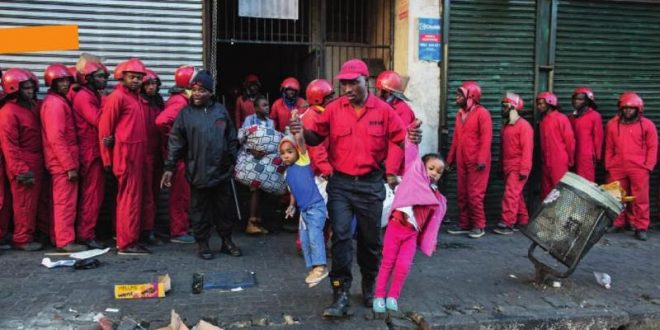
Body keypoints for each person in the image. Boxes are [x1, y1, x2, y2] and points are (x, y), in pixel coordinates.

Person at [289, 58, 423, 318]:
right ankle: (340, 293)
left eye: (354, 83)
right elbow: (317, 136)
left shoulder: (384, 111)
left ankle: (370, 286)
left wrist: (410, 141)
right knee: (340, 238)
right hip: (340, 185)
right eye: (344, 84)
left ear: (367, 82)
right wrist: (302, 131)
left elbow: (401, 138)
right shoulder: (334, 109)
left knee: (370, 241)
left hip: (372, 185)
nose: (348, 89)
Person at [160, 70, 242, 260]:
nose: (196, 93)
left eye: (202, 90)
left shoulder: (220, 111)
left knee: (224, 210)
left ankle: (227, 241)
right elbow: (175, 142)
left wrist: (232, 160)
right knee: (199, 212)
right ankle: (203, 244)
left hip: (222, 172)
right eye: (194, 89)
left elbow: (231, 137)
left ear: (211, 92)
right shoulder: (185, 114)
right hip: (198, 173)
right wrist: (169, 168)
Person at [373, 146, 446, 314]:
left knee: (404, 266)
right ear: (422, 168)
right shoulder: (410, 181)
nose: (434, 173)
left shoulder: (436, 196)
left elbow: (433, 221)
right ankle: (378, 296)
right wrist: (412, 139)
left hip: (412, 234)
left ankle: (393, 296)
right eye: (431, 168)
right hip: (395, 228)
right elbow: (412, 156)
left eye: (439, 172)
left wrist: (430, 240)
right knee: (387, 263)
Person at [98, 58, 152, 255]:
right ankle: (127, 243)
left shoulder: (134, 97)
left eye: (139, 77)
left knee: (132, 198)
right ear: (123, 77)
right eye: (132, 77)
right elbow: (105, 131)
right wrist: (106, 159)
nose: (137, 81)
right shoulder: (117, 97)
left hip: (135, 154)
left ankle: (129, 239)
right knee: (129, 199)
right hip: (126, 155)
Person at [40, 64, 87, 252]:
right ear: (51, 83)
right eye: (61, 81)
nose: (65, 84)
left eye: (67, 80)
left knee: (60, 202)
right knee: (65, 203)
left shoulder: (57, 102)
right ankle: (65, 242)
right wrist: (69, 166)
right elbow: (56, 137)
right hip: (61, 163)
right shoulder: (55, 105)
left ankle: (58, 237)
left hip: (60, 161)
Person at [279, 111, 329, 287]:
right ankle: (314, 268)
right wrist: (291, 206)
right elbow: (293, 191)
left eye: (289, 151)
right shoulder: (287, 173)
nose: (286, 155)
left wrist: (296, 125)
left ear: (297, 153)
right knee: (305, 239)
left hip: (315, 207)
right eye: (283, 153)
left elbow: (300, 142)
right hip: (304, 210)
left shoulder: (302, 161)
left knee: (315, 235)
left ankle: (320, 267)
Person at [0, 68, 44, 251]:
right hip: (23, 163)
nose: (30, 91)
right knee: (24, 204)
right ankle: (22, 239)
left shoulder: (30, 107)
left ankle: (27, 234)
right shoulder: (9, 112)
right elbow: (9, 145)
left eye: (31, 88)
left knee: (31, 203)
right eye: (25, 88)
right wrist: (20, 169)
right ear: (14, 89)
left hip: (34, 160)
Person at [605, 92, 657, 241]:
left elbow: (653, 147)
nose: (628, 111)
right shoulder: (612, 124)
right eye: (625, 108)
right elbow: (609, 146)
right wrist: (609, 164)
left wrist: (648, 166)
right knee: (616, 196)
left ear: (638, 109)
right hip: (617, 166)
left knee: (640, 199)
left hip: (639, 168)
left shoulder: (647, 125)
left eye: (631, 108)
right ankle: (617, 222)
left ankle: (640, 227)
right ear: (620, 108)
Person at [155, 65, 196, 244]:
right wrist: (175, 137)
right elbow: (161, 121)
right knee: (180, 195)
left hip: (181, 155)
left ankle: (183, 227)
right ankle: (178, 232)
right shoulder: (180, 102)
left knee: (184, 193)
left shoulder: (181, 99)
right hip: (178, 157)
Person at [446, 81, 492, 239]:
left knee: (475, 194)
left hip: (477, 162)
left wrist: (481, 159)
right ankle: (465, 224)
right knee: (462, 193)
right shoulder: (460, 114)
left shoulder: (482, 113)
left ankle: (479, 225)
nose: (457, 97)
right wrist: (450, 160)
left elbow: (486, 139)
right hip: (462, 160)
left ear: (471, 96)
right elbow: (455, 139)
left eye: (460, 94)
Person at [72, 58, 108, 249]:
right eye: (100, 76)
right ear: (88, 78)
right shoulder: (84, 97)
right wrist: (106, 101)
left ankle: (88, 232)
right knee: (91, 195)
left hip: (94, 150)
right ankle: (86, 235)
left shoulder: (90, 95)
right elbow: (98, 120)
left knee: (95, 194)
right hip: (90, 152)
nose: (104, 80)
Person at [494, 93, 533, 235]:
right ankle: (523, 221)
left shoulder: (524, 126)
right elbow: (503, 150)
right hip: (507, 166)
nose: (502, 109)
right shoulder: (506, 127)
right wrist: (500, 167)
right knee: (517, 194)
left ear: (514, 108)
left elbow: (527, 150)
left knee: (511, 194)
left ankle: (507, 223)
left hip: (518, 166)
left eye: (505, 106)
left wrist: (524, 169)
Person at [240, 94, 273, 235]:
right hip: (251, 158)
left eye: (267, 105)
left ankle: (258, 222)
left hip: (265, 159)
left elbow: (272, 139)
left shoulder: (270, 122)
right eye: (264, 105)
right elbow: (241, 136)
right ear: (255, 108)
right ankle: (251, 222)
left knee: (263, 189)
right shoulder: (249, 120)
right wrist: (251, 149)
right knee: (255, 189)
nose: (267, 107)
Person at [140, 69, 164, 246]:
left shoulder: (158, 102)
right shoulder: (139, 103)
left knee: (154, 193)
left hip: (156, 153)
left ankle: (151, 227)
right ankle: (146, 231)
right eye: (147, 84)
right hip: (144, 154)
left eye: (154, 83)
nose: (151, 87)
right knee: (146, 194)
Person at [536, 91, 575, 199]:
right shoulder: (543, 120)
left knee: (560, 190)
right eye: (538, 104)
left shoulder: (561, 118)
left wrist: (570, 159)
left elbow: (570, 141)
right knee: (546, 192)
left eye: (542, 103)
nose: (540, 106)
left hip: (559, 160)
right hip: (546, 161)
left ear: (550, 103)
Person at [569, 87, 603, 182]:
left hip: (586, 156)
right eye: (575, 99)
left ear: (587, 101)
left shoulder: (595, 116)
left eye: (580, 99)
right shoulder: (571, 117)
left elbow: (598, 137)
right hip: (573, 156)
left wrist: (597, 156)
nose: (576, 101)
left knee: (586, 183)